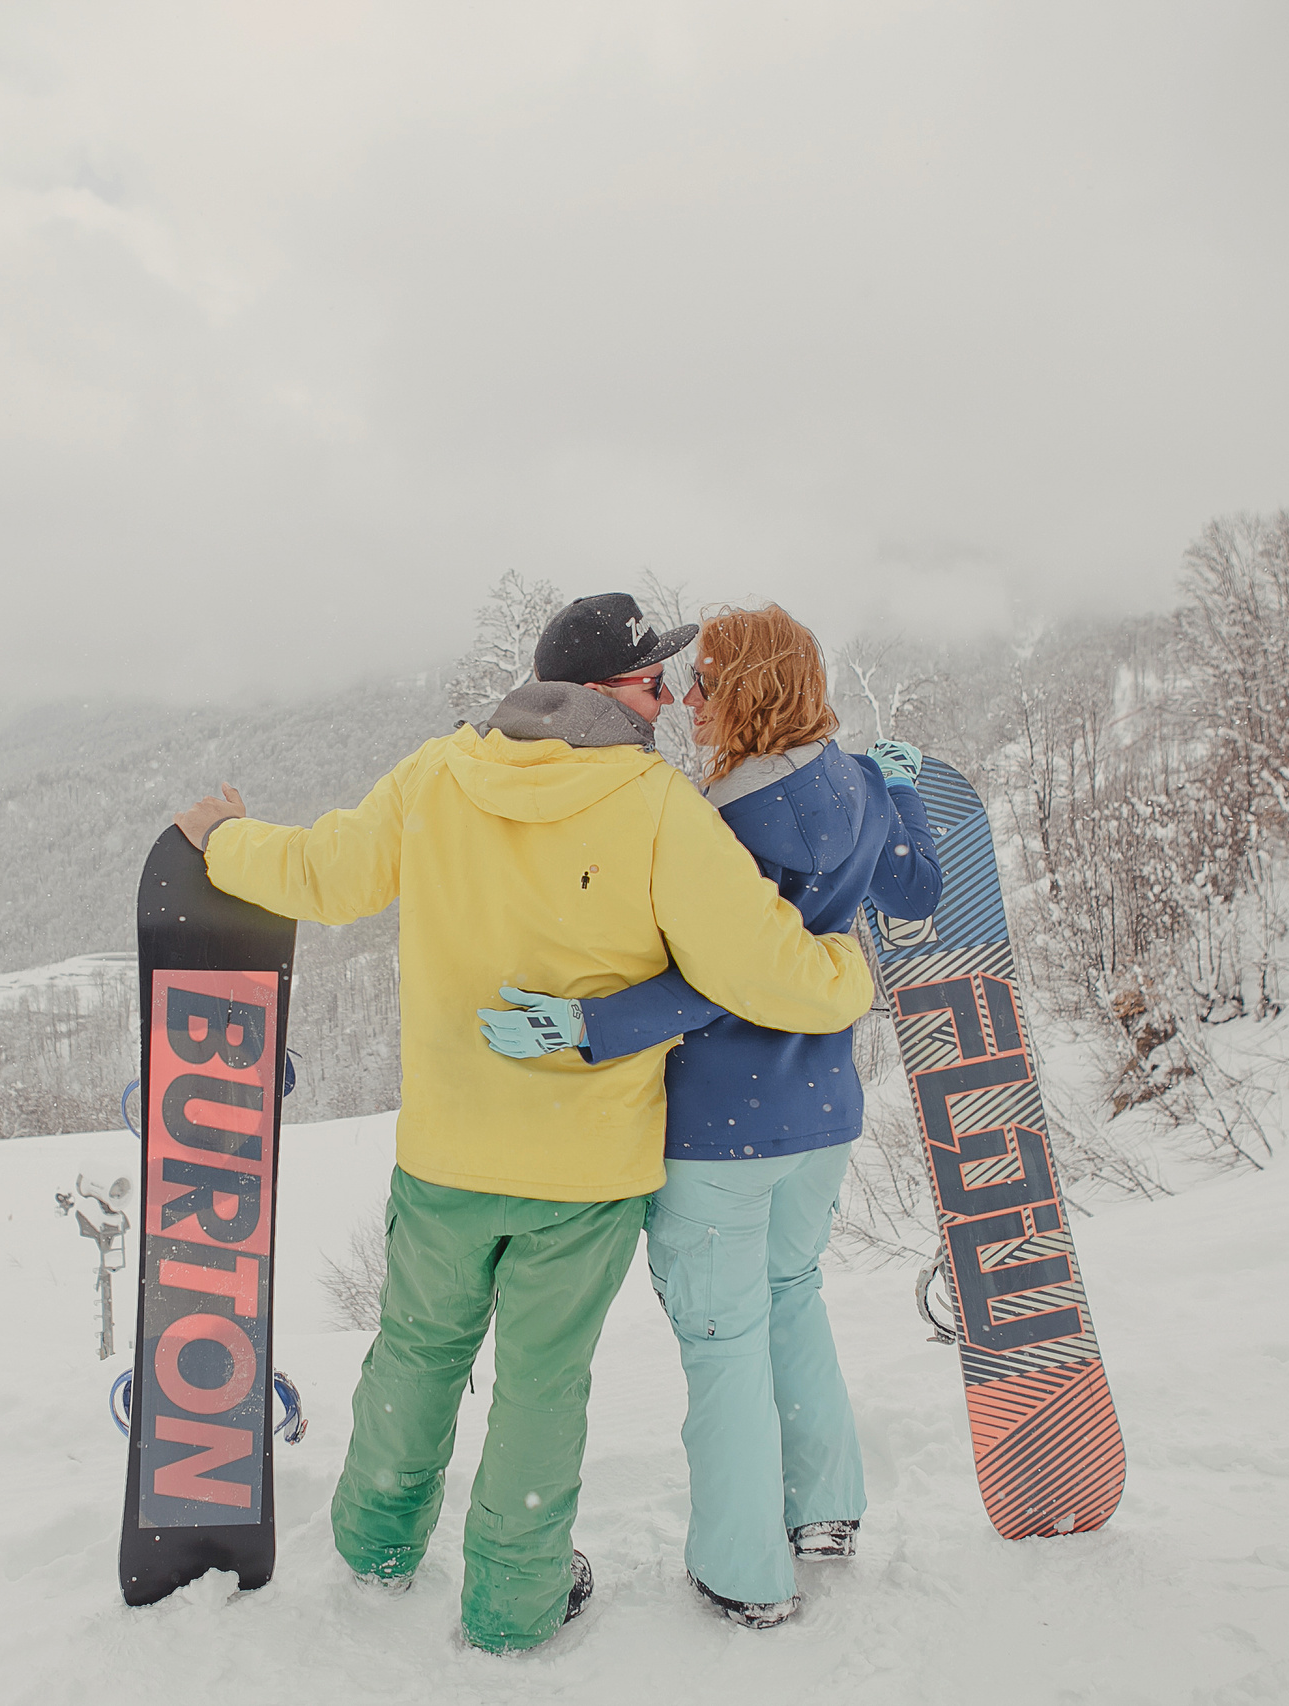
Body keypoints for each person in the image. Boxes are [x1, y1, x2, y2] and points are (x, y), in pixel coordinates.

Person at [170, 591, 875, 1654]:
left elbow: (325, 872)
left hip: (449, 1150)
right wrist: (845, 974)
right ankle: (512, 1598)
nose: (667, 698)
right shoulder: (655, 806)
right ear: (599, 690)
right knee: (542, 1381)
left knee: (416, 1347)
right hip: (583, 1172)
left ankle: (375, 1541)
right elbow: (758, 966)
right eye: (650, 680)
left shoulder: (440, 772)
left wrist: (222, 843)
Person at [480, 603, 942, 1630]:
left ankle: (744, 1568)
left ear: (744, 692)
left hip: (722, 1125)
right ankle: (825, 1508)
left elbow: (718, 977)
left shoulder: (717, 823)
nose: (685, 699)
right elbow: (921, 888)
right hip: (823, 1110)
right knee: (793, 1297)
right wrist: (903, 793)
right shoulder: (858, 785)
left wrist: (590, 1023)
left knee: (722, 1338)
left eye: (703, 682)